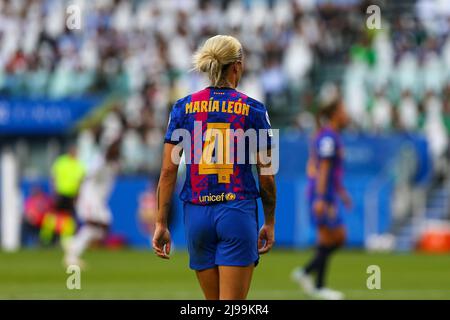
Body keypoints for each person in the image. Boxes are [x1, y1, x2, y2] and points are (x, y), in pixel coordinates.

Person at [152, 35, 277, 300]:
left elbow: (167, 172)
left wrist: (161, 223)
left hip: (196, 214)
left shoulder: (182, 108)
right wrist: (270, 221)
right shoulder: (254, 109)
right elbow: (266, 175)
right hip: (236, 209)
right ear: (237, 66)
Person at [291, 96, 352, 300]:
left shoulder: (330, 135)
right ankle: (317, 284)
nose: (347, 115)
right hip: (322, 195)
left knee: (335, 237)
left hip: (329, 194)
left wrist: (342, 194)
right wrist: (320, 198)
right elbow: (324, 169)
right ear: (335, 114)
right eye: (344, 110)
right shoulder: (328, 138)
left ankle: (308, 273)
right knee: (331, 237)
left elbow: (332, 171)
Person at [63, 139, 121, 267]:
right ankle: (72, 254)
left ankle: (72, 243)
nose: (116, 152)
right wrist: (77, 195)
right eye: (114, 149)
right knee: (95, 224)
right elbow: (85, 177)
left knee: (104, 227)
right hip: (89, 198)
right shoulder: (99, 161)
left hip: (99, 201)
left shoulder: (113, 164)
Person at [51, 145, 85, 217]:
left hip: (72, 195)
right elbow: (54, 176)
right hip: (60, 193)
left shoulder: (79, 164)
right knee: (57, 215)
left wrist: (78, 194)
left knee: (70, 216)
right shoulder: (61, 161)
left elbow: (81, 181)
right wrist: (54, 190)